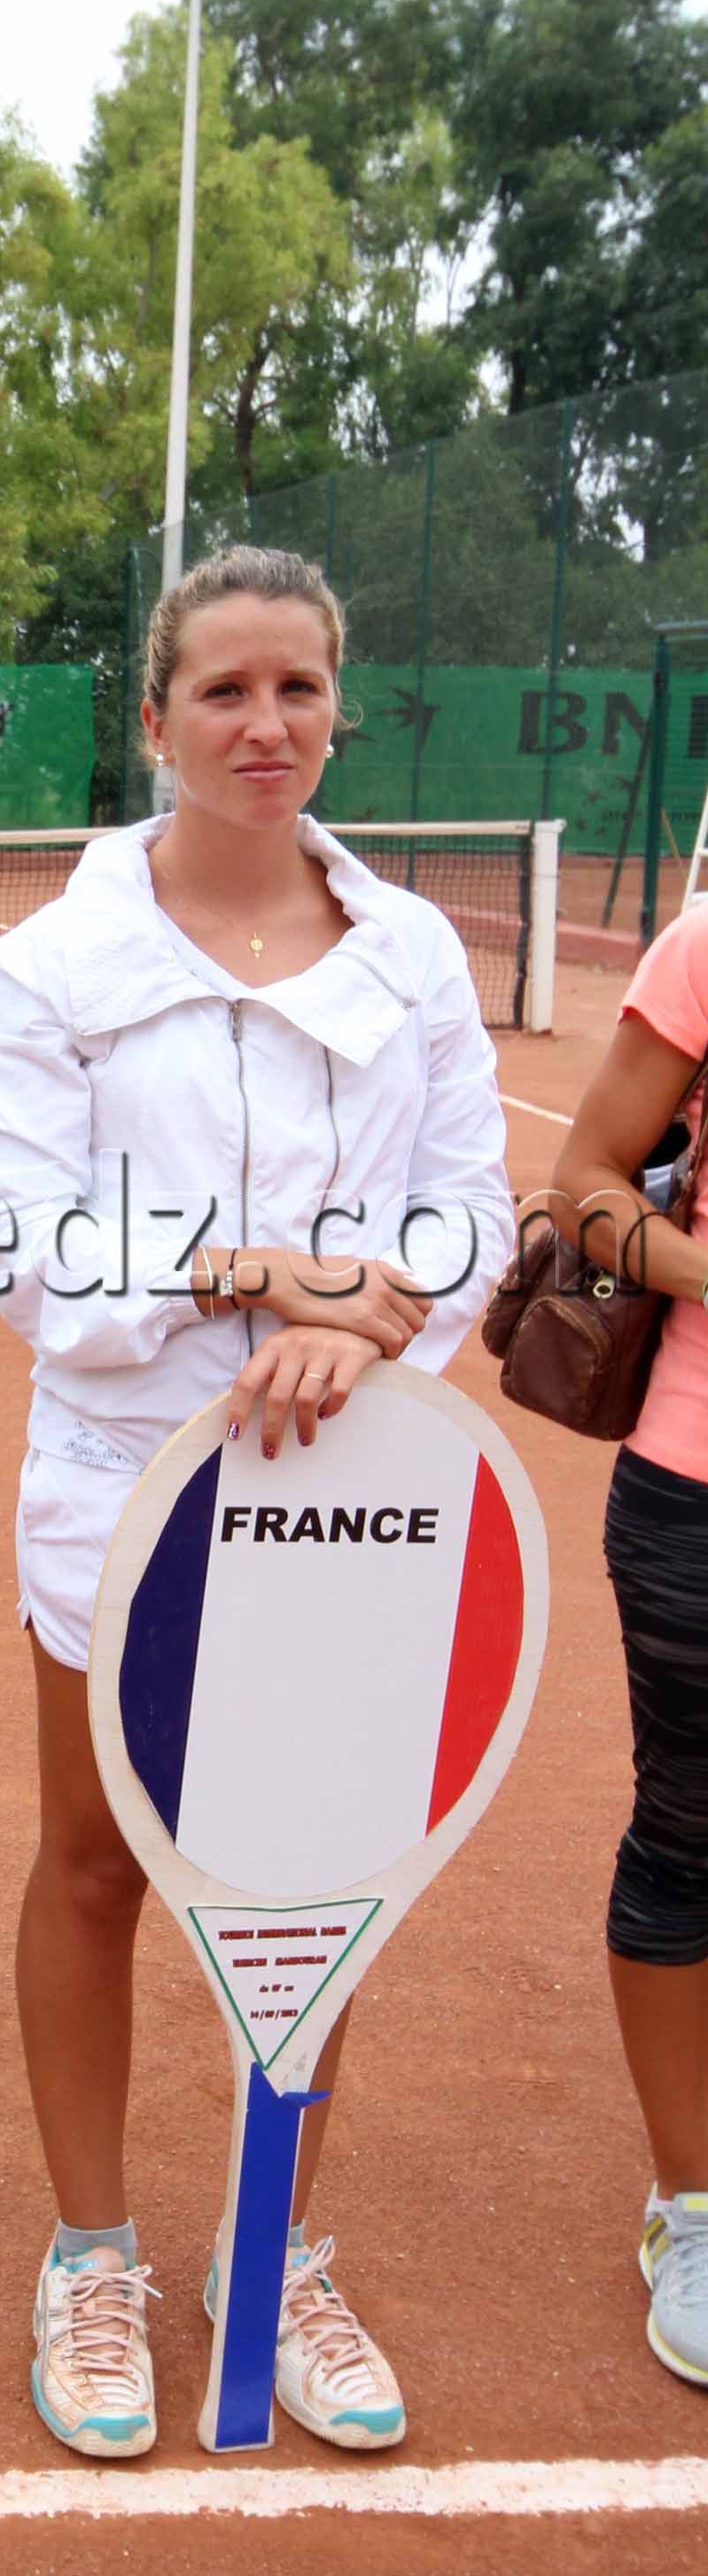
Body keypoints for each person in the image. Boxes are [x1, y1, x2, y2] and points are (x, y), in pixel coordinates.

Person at [0, 543, 512, 2461]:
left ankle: (269, 2251)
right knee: (96, 1863)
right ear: (151, 718)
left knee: (308, 1880)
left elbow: (465, 1213)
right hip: (117, 1483)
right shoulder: (44, 969)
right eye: (222, 692)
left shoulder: (417, 952)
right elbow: (22, 1254)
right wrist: (251, 1273)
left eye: (294, 690)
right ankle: (88, 2253)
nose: (262, 726)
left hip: (353, 1478)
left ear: (331, 705)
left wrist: (358, 1339)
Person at [548, 895, 708, 2387]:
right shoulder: (706, 948)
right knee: (691, 1838)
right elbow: (586, 1185)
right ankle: (694, 2205)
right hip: (696, 1491)